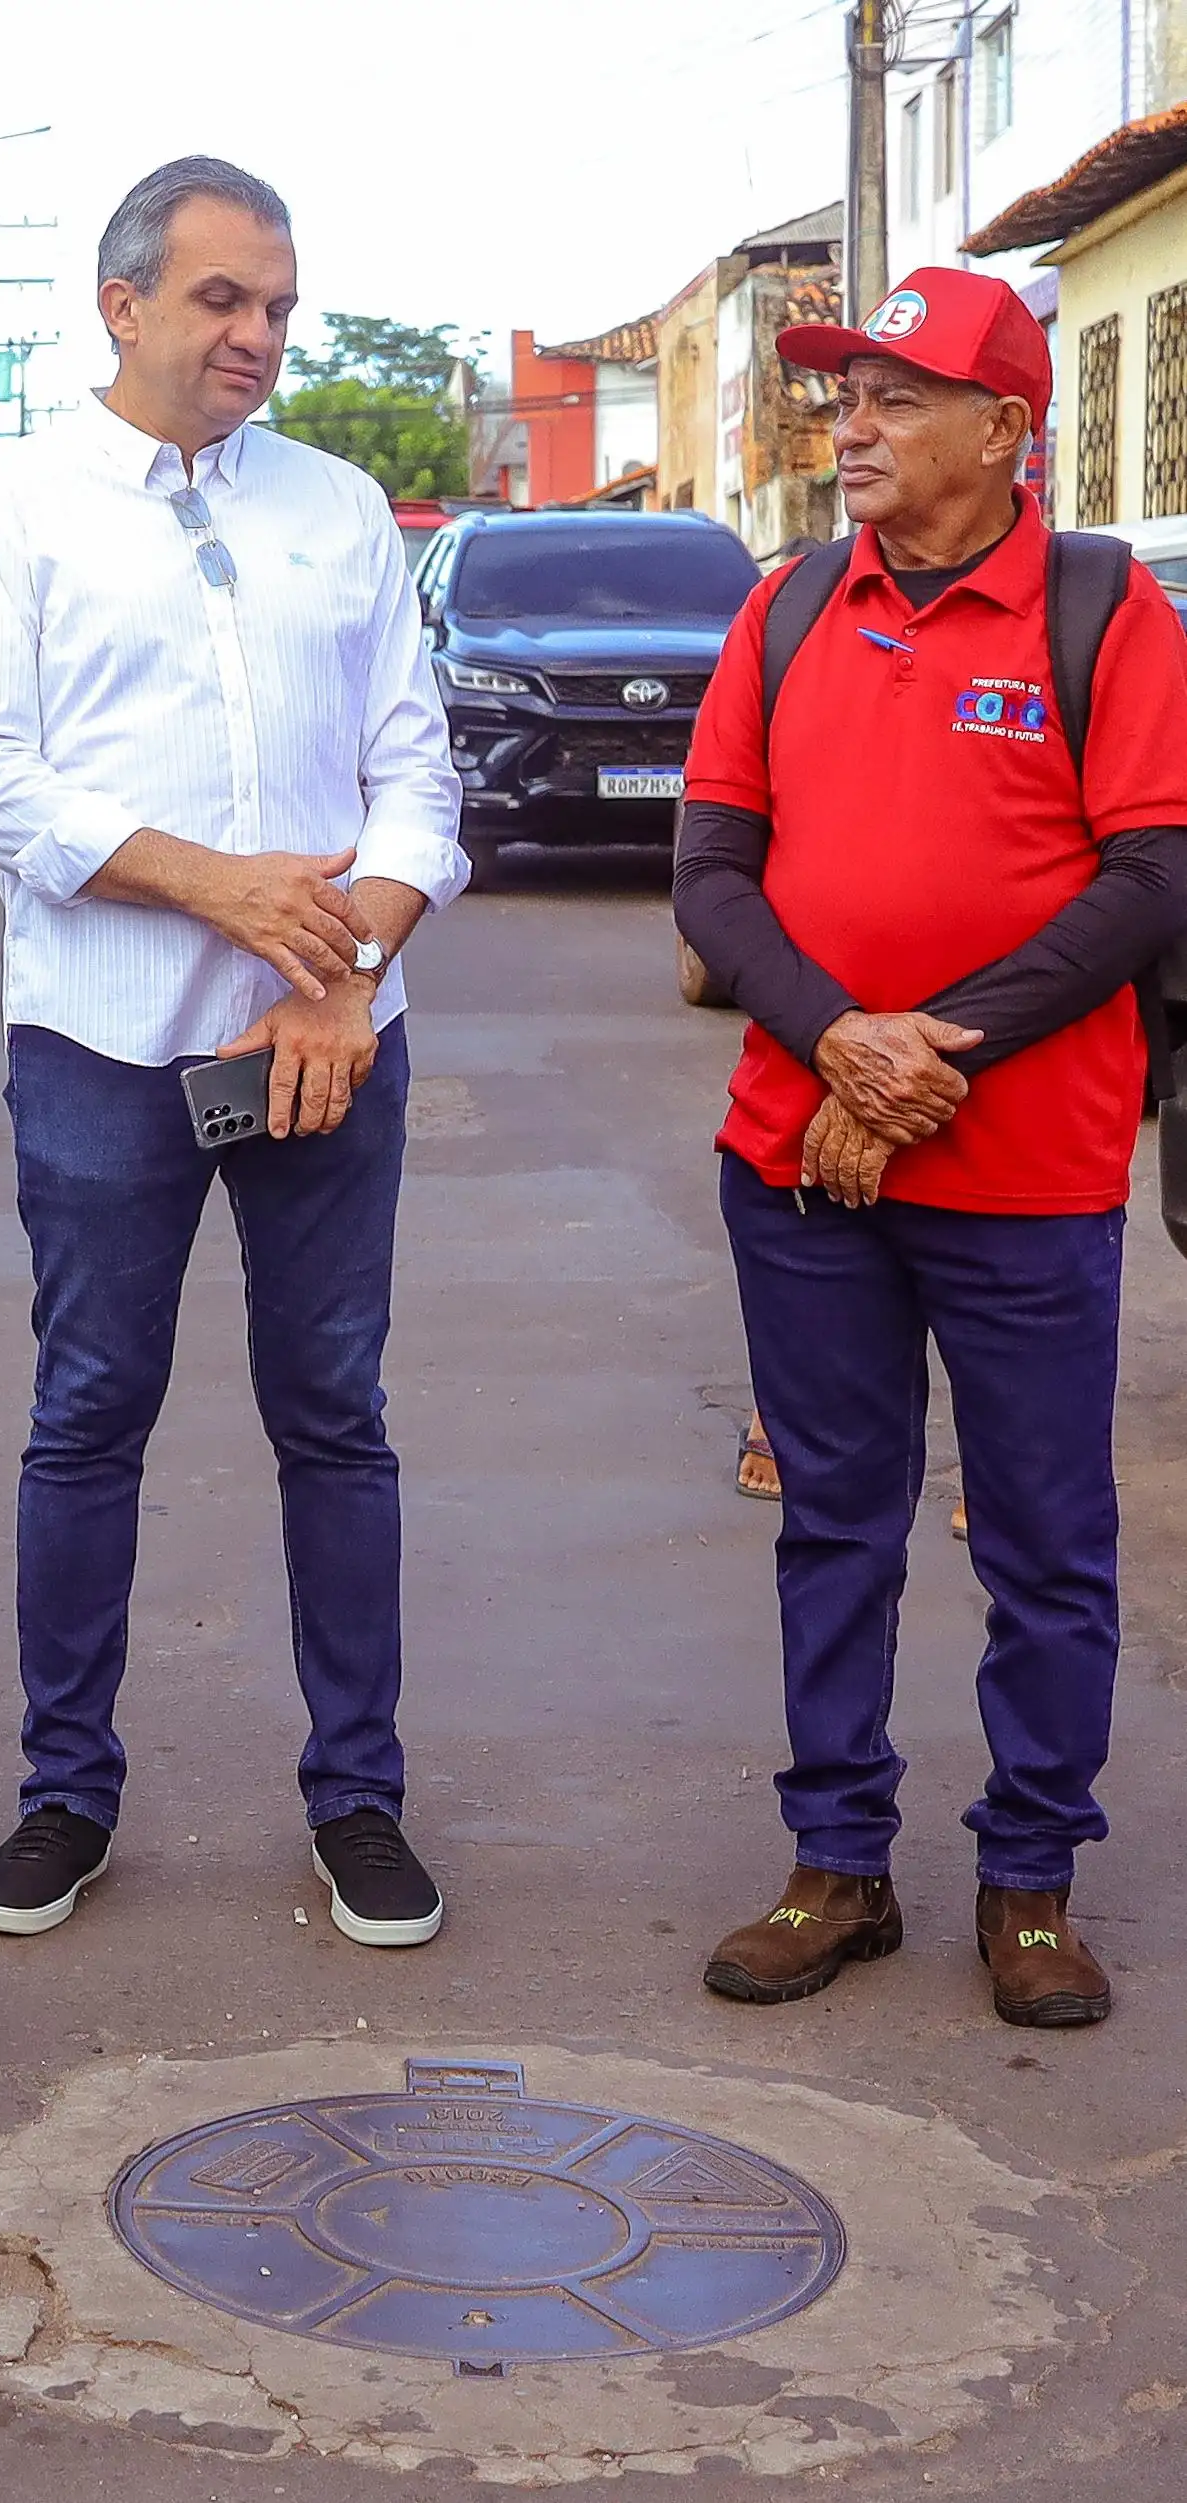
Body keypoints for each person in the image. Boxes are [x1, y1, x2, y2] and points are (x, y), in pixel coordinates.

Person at [0, 157, 467, 1951]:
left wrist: (340, 969)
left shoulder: (336, 509)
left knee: (337, 1418)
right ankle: (66, 1788)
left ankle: (360, 1796)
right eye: (225, 299)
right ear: (126, 305)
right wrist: (216, 887)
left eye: (280, 305)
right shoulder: (19, 502)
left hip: (324, 1042)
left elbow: (416, 771)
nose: (258, 336)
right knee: (88, 1414)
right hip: (102, 1042)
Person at [669, 266, 1187, 2027]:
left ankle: (1031, 1880)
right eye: (844, 393)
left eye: (897, 395)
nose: (854, 425)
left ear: (1004, 428)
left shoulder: (1105, 611)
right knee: (836, 1518)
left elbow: (1151, 881)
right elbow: (711, 874)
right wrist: (832, 1040)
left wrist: (919, 1059)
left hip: (1025, 1171)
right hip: (799, 1159)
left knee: (1044, 1536)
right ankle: (838, 1862)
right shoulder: (790, 606)